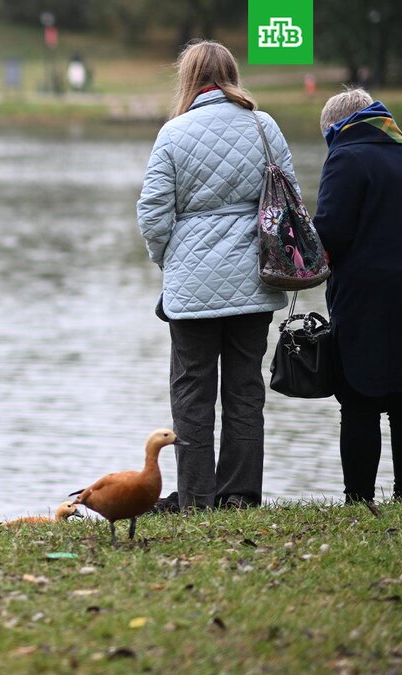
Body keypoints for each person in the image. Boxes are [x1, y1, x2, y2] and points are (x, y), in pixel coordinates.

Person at [137, 40, 297, 512]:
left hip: (191, 286)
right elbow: (290, 199)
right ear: (231, 74)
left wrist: (170, 259)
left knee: (192, 391)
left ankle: (195, 498)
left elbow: (152, 215)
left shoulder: (174, 133)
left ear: (188, 78)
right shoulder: (264, 125)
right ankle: (241, 495)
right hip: (255, 279)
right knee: (245, 389)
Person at [312, 88, 402, 505]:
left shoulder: (346, 155)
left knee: (360, 399)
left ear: (337, 128)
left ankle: (359, 498)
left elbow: (331, 233)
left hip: (369, 295)